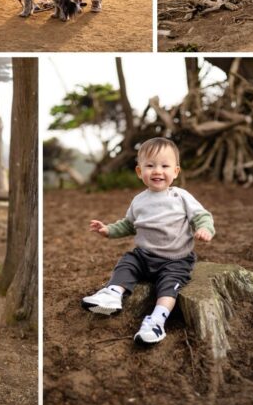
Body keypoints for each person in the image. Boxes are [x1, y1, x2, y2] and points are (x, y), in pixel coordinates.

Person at [82, 138, 215, 345]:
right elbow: (128, 225)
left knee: (169, 286)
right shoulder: (139, 200)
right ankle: (113, 294)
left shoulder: (180, 196)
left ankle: (156, 320)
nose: (157, 171)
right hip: (144, 255)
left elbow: (201, 216)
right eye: (150, 166)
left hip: (176, 259)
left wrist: (204, 229)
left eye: (164, 166)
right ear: (139, 171)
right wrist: (107, 229)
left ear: (176, 171)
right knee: (127, 262)